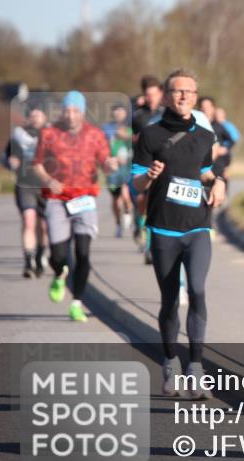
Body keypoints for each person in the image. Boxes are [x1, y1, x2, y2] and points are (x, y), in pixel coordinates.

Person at [132, 69, 226, 399]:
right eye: (177, 91)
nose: (183, 96)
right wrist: (150, 176)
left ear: (196, 96)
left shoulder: (204, 135)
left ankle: (196, 368)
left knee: (197, 290)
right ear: (167, 96)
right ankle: (171, 363)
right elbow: (138, 182)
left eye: (189, 91)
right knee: (170, 299)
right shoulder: (150, 135)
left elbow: (204, 172)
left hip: (198, 227)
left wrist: (219, 183)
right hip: (162, 228)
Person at [32, 91, 119, 322]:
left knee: (83, 252)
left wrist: (111, 165)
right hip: (57, 199)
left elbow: (105, 161)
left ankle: (77, 303)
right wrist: (50, 181)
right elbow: (37, 165)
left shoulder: (95, 134)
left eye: (76, 111)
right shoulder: (49, 133)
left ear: (82, 112)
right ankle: (59, 274)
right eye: (67, 111)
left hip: (84, 200)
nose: (71, 116)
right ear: (62, 111)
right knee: (58, 255)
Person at [4, 106, 49, 278]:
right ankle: (28, 260)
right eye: (33, 114)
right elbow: (6, 156)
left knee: (43, 226)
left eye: (39, 114)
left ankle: (39, 255)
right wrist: (10, 162)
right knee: (29, 220)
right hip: (25, 184)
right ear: (28, 118)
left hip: (46, 186)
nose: (36, 117)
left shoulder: (52, 134)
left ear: (45, 117)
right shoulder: (18, 135)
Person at [131, 76, 164, 262]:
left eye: (154, 93)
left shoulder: (166, 113)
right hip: (141, 163)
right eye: (147, 94)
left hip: (160, 164)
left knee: (155, 204)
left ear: (160, 93)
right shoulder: (137, 115)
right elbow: (126, 134)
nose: (151, 97)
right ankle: (140, 223)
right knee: (142, 201)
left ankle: (150, 246)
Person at [102, 103, 134, 238]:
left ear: (126, 114)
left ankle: (127, 213)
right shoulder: (106, 128)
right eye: (116, 112)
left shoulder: (130, 128)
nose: (118, 114)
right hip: (112, 169)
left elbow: (136, 142)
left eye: (121, 112)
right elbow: (101, 146)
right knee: (115, 198)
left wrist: (125, 137)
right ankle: (118, 224)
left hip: (127, 167)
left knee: (126, 194)